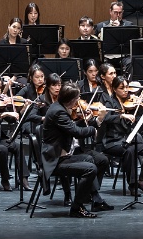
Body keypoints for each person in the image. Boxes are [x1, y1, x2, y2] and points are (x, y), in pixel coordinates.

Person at [42, 85, 104, 219]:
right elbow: (76, 132)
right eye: (77, 98)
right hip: (55, 160)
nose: (78, 100)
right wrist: (93, 129)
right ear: (70, 100)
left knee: (89, 159)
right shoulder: (58, 112)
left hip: (61, 155)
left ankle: (89, 197)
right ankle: (77, 208)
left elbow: (71, 127)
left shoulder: (60, 107)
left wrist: (86, 120)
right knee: (90, 169)